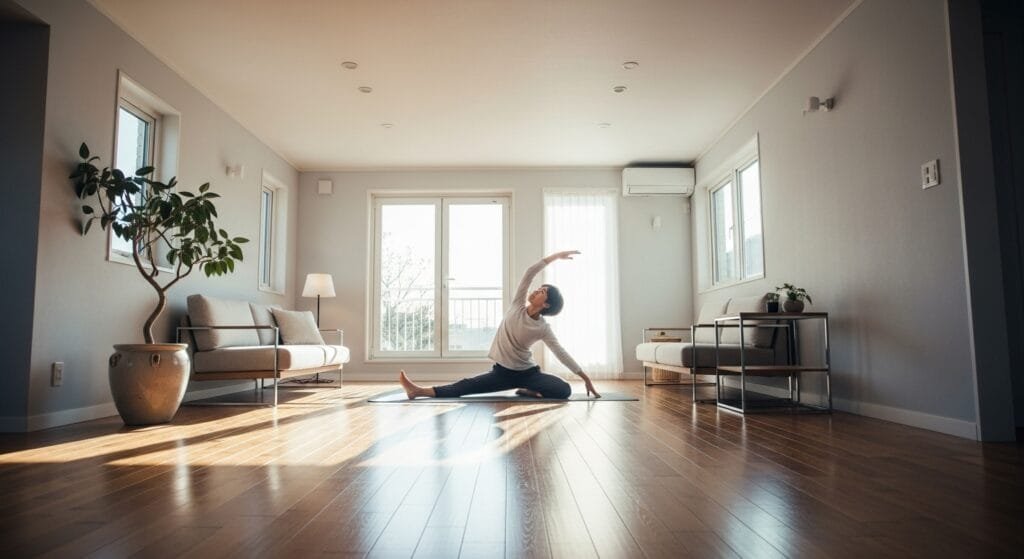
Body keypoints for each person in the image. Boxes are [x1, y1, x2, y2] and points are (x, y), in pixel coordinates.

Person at [399, 250, 601, 400]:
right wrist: (556, 257)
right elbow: (530, 273)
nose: (537, 290)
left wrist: (586, 378)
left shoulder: (543, 328)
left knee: (563, 390)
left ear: (546, 304)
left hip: (529, 374)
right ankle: (417, 391)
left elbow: (561, 353)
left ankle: (530, 390)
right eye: (539, 288)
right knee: (465, 387)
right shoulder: (517, 305)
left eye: (542, 292)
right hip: (502, 373)